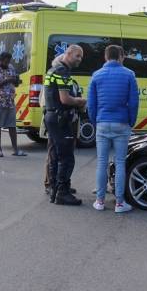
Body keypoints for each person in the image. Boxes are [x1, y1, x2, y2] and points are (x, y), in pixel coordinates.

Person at [88, 45, 139, 213]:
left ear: (105, 56)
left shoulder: (96, 75)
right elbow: (133, 102)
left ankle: (100, 201)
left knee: (101, 163)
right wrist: (131, 121)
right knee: (120, 163)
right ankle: (119, 203)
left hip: (102, 122)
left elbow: (92, 105)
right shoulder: (129, 75)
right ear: (120, 57)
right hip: (122, 123)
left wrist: (95, 122)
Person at [44, 45, 86, 205]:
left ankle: (55, 188)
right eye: (77, 56)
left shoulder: (53, 69)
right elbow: (65, 99)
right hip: (60, 118)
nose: (79, 60)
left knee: (55, 155)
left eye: (81, 57)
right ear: (68, 54)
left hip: (52, 116)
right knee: (67, 157)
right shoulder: (62, 72)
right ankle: (62, 192)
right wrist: (81, 101)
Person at [0, 52, 26, 158]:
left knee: (12, 126)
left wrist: (16, 81)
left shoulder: (11, 67)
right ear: (0, 60)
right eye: (6, 61)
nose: (7, 63)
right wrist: (7, 80)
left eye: (9, 61)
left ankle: (15, 149)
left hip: (10, 102)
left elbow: (15, 83)